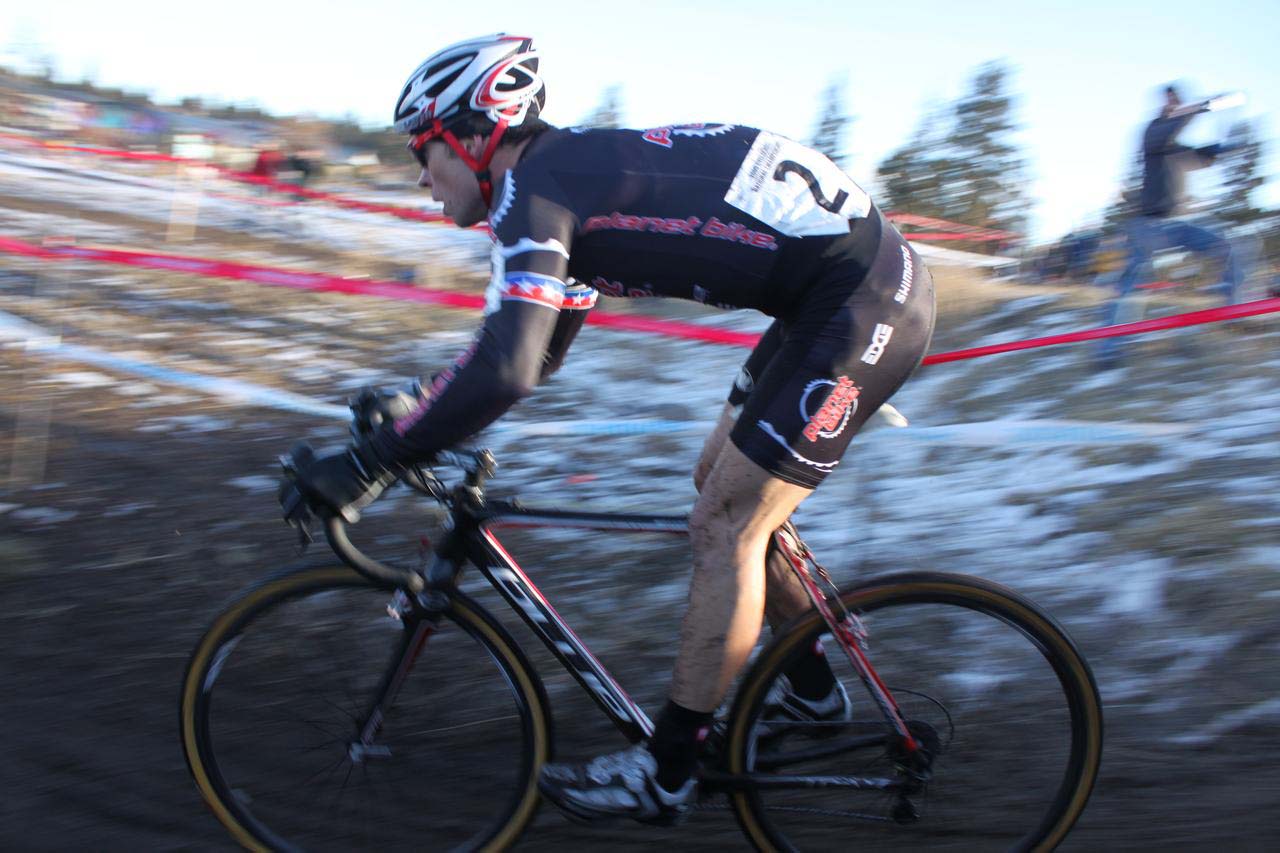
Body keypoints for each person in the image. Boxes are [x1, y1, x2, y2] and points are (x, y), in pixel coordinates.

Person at [278, 33, 935, 826]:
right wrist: (417, 407)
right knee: (721, 485)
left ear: (474, 135)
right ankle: (811, 689)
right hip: (832, 292)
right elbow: (537, 351)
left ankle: (666, 771)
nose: (422, 175)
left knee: (726, 520)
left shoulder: (535, 194)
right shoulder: (563, 181)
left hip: (863, 302)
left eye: (426, 150)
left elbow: (510, 369)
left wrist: (375, 458)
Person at [1099, 84, 1244, 366]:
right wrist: (1201, 107)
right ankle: (1109, 349)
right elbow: (1169, 131)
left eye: (1178, 103)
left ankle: (1232, 315)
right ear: (1165, 107)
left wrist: (1223, 146)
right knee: (1129, 282)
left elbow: (1200, 159)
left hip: (1178, 224)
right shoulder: (1152, 133)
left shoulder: (1175, 147)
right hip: (1147, 227)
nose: (1175, 108)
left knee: (1228, 247)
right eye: (1171, 104)